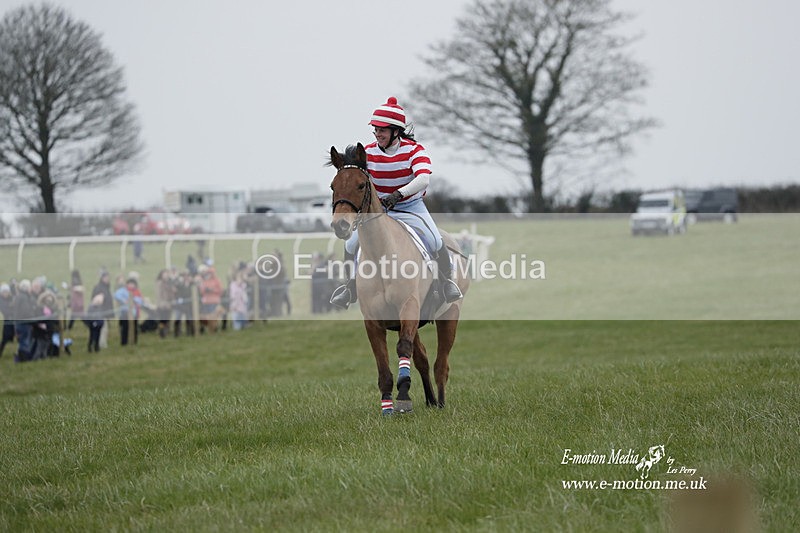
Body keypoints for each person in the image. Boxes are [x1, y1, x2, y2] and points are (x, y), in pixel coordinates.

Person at [330, 96, 463, 308]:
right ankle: (349, 286)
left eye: (382, 130)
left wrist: (398, 195)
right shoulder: (367, 152)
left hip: (410, 207)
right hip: (378, 211)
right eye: (375, 129)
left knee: (435, 239)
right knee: (351, 243)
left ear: (396, 131)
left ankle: (447, 283)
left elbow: (423, 178)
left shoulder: (414, 150)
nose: (377, 134)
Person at [0, 283, 15, 357]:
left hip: (13, 321)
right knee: (5, 339)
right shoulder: (1, 300)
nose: (5, 293)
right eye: (4, 292)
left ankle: (14, 353)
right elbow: (5, 311)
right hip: (6, 322)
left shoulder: (11, 298)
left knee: (14, 338)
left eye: (7, 291)